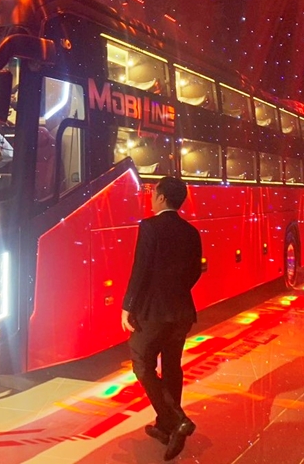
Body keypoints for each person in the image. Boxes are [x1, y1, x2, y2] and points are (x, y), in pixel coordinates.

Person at [121, 176, 202, 461]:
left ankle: (178, 419)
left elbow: (140, 269)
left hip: (153, 311)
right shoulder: (191, 231)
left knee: (141, 362)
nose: (151, 197)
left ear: (162, 198)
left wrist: (128, 305)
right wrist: (175, 292)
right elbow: (195, 271)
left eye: (154, 192)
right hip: (182, 311)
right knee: (171, 367)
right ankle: (166, 427)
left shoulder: (149, 226)